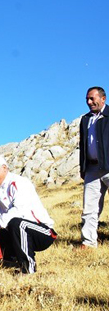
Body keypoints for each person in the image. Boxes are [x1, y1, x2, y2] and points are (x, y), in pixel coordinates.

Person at [79, 86, 109, 248]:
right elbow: (83, 145)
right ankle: (88, 242)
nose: (89, 102)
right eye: (87, 99)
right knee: (89, 208)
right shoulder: (85, 119)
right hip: (91, 169)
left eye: (92, 99)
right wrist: (83, 168)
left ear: (103, 98)